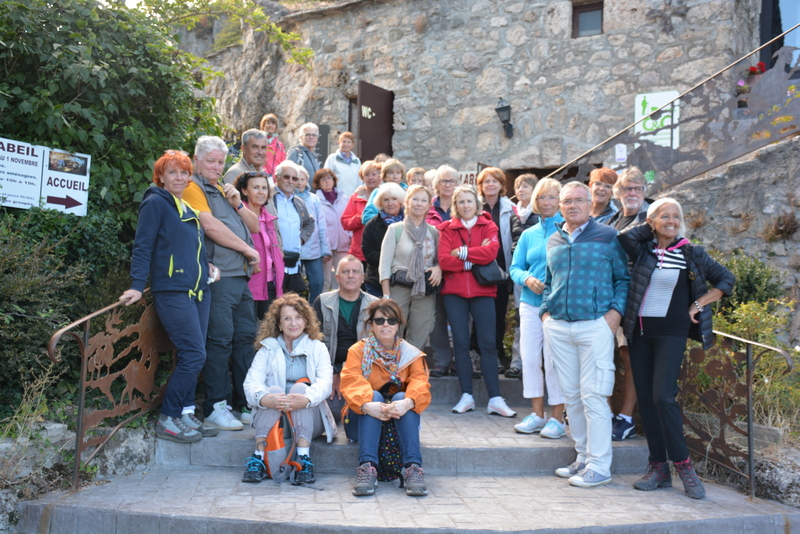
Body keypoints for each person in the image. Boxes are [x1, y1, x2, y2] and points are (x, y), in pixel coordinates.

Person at [619, 198, 734, 499]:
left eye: (676, 216)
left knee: (663, 397)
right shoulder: (643, 249)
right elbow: (624, 237)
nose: (672, 221)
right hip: (639, 332)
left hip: (672, 333)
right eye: (665, 216)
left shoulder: (691, 252)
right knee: (647, 401)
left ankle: (684, 467)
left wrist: (698, 303)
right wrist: (651, 225)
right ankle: (658, 468)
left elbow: (726, 279)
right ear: (651, 221)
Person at [120, 150, 220, 443]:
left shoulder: (184, 205)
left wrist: (206, 267)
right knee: (194, 354)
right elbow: (143, 246)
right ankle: (168, 418)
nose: (179, 177)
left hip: (199, 291)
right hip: (173, 291)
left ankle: (185, 413)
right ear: (160, 177)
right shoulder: (155, 203)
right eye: (172, 172)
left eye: (184, 172)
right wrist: (137, 285)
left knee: (193, 354)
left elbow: (191, 248)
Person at [541, 182, 630, 488]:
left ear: (590, 204)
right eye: (567, 201)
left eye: (579, 200)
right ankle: (582, 457)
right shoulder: (554, 239)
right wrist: (546, 314)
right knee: (572, 396)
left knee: (594, 395)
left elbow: (622, 279)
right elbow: (549, 282)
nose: (573, 205)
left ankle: (600, 466)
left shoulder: (608, 236)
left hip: (595, 325)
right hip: (559, 327)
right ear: (560, 206)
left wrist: (614, 314)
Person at [182, 136, 260, 431]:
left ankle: (245, 404)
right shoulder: (193, 186)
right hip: (220, 276)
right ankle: (216, 406)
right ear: (196, 160)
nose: (216, 167)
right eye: (211, 161)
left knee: (245, 339)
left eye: (220, 162)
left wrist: (238, 203)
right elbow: (209, 226)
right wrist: (248, 250)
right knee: (220, 340)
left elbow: (254, 225)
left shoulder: (221, 188)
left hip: (239, 275)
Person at [438, 184, 516, 417]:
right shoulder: (446, 228)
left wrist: (461, 253)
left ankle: (495, 398)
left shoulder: (488, 225)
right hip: (454, 293)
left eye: (469, 201)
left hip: (483, 292)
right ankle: (467, 396)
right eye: (461, 202)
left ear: (477, 203)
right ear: (455, 205)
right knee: (461, 343)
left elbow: (491, 254)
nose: (465, 206)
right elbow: (444, 260)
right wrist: (473, 259)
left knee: (488, 344)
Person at [241, 294, 336, 484]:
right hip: (276, 418)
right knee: (273, 391)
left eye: (298, 317)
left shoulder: (318, 348)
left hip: (310, 419)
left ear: (306, 321)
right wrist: (265, 399)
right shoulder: (267, 349)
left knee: (300, 389)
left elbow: (325, 383)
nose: (293, 323)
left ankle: (303, 458)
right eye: (287, 318)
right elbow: (251, 384)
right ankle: (258, 458)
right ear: (278, 323)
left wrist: (306, 399)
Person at [340, 299, 431, 497]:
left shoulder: (410, 353)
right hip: (362, 419)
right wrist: (367, 406)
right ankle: (367, 467)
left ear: (399, 324)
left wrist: (407, 403)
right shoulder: (357, 351)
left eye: (391, 320)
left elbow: (420, 383)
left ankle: (413, 468)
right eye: (379, 320)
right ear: (371, 324)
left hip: (398, 422)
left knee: (404, 395)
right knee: (373, 395)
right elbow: (351, 382)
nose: (386, 325)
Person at [508, 178, 566, 438]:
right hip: (530, 303)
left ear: (560, 201)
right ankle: (537, 414)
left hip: (557, 306)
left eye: (552, 197)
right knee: (530, 359)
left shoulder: (567, 230)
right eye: (542, 197)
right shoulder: (529, 234)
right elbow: (515, 268)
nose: (546, 202)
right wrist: (526, 278)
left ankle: (558, 418)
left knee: (554, 362)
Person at [607, 166, 651, 441]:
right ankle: (606, 412)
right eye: (627, 188)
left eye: (637, 188)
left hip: (637, 298)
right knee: (605, 356)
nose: (632, 193)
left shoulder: (651, 219)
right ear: (618, 193)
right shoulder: (613, 220)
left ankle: (626, 418)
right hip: (609, 297)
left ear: (644, 191)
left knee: (629, 356)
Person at [312, 256, 378, 420]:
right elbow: (314, 343)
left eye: (355, 272)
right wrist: (334, 373)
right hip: (328, 370)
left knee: (363, 408)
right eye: (345, 272)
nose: (350, 276)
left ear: (362, 277)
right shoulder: (322, 302)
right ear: (337, 277)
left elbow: (380, 346)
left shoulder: (375, 306)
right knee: (335, 412)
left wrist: (348, 375)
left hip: (363, 372)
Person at [379, 185, 441, 350]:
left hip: (424, 289)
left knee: (422, 329)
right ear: (407, 202)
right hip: (399, 287)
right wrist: (386, 296)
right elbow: (384, 265)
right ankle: (391, 363)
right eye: (415, 199)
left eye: (423, 200)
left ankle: (411, 363)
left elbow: (439, 259)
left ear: (429, 206)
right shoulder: (395, 229)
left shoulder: (434, 232)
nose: (419, 203)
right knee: (392, 329)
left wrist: (438, 268)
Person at [476, 167, 522, 375]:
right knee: (480, 314)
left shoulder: (511, 208)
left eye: (494, 181)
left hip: (501, 270)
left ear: (502, 185)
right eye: (486, 181)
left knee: (499, 313)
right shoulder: (474, 205)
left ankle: (496, 351)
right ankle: (479, 352)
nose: (490, 185)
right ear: (481, 185)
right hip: (477, 270)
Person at [235, 171, 284, 320]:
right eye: (255, 187)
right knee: (249, 329)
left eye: (264, 188)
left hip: (271, 282)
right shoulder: (238, 214)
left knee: (270, 328)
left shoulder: (267, 216)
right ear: (244, 191)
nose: (261, 192)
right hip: (249, 283)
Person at [427, 165, 459, 378]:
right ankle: (441, 360)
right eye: (443, 181)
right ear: (436, 185)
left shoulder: (464, 206)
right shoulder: (427, 208)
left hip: (459, 271)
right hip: (432, 271)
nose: (447, 185)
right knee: (437, 318)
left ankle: (460, 359)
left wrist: (445, 263)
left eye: (451, 181)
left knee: (461, 319)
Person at [361, 183, 405, 297]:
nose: (390, 203)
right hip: (376, 282)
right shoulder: (372, 225)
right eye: (386, 200)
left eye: (394, 199)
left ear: (400, 200)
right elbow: (368, 253)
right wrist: (391, 257)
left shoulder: (409, 222)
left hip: (405, 283)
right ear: (380, 203)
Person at [295, 166, 331, 305]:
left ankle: (314, 310)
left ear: (307, 180)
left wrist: (325, 249)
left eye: (302, 179)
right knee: (294, 285)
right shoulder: (287, 198)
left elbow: (321, 225)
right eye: (296, 179)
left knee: (317, 282)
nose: (299, 182)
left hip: (313, 248)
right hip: (295, 249)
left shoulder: (314, 199)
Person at [314, 168, 351, 291]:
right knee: (326, 280)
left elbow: (348, 218)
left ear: (334, 180)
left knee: (342, 279)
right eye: (323, 179)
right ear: (318, 183)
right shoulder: (316, 200)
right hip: (326, 246)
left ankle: (341, 302)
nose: (327, 181)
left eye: (329, 178)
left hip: (343, 243)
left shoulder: (344, 198)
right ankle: (323, 302)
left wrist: (350, 236)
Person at [341, 160, 382, 264]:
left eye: (374, 174)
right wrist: (360, 218)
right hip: (359, 252)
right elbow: (345, 222)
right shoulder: (356, 197)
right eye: (367, 175)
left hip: (380, 250)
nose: (370, 178)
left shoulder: (386, 195)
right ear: (362, 178)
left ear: (380, 177)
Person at [361, 158, 408, 225]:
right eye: (391, 173)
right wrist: (386, 221)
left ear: (402, 176)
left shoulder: (408, 192)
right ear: (384, 176)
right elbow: (367, 217)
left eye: (398, 173)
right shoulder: (378, 192)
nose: (395, 176)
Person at [323, 131, 361, 198]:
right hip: (338, 198)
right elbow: (326, 177)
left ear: (352, 145)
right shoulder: (332, 158)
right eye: (344, 141)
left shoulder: (357, 161)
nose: (346, 144)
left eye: (349, 142)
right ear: (339, 143)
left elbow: (360, 180)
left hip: (354, 198)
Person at [259, 113, 287, 179]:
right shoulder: (258, 142)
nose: (270, 126)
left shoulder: (280, 145)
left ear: (276, 127)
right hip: (261, 177)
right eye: (268, 123)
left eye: (273, 124)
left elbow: (284, 163)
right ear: (263, 125)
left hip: (276, 179)